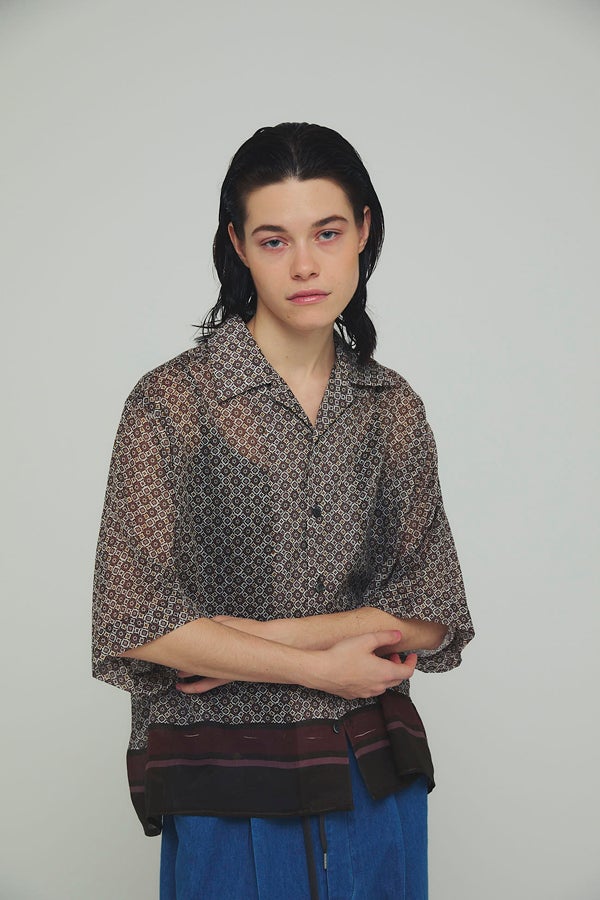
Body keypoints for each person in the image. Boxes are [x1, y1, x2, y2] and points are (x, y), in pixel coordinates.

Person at [92, 122, 474, 900]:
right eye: (274, 240)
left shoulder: (391, 407)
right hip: (224, 775)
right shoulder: (171, 404)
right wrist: (320, 666)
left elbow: (432, 615)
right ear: (238, 245)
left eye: (327, 233)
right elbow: (134, 623)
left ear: (362, 230)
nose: (305, 264)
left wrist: (236, 639)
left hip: (373, 773)